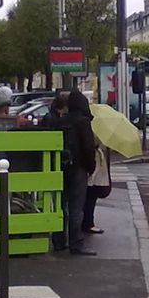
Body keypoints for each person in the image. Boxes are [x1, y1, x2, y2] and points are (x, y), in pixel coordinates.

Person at [43, 91, 97, 255]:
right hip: (78, 167)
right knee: (76, 207)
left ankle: (59, 241)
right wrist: (90, 167)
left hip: (60, 167)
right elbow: (88, 147)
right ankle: (76, 243)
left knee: (61, 204)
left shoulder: (61, 121)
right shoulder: (83, 122)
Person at [82, 142, 111, 235]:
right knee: (90, 198)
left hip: (92, 174)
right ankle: (88, 223)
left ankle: (87, 222)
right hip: (92, 175)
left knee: (88, 198)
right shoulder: (94, 149)